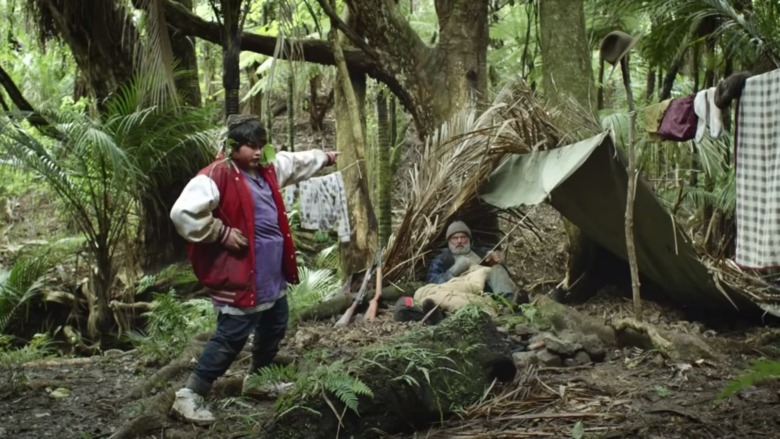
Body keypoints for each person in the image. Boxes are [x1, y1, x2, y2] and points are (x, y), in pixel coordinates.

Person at [168, 115, 338, 425]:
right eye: (250, 146)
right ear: (233, 147)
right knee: (230, 337)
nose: (257, 152)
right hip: (241, 274)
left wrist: (324, 157)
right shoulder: (216, 175)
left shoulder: (266, 171)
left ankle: (258, 380)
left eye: (261, 146)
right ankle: (189, 395)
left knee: (275, 323)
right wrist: (220, 232)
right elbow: (182, 212)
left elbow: (294, 162)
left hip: (270, 273)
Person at [426, 220, 521, 303]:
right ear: (449, 241)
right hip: (461, 293)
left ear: (469, 239)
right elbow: (431, 283)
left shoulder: (482, 253)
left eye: (463, 237)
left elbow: (503, 275)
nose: (459, 241)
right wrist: (453, 271)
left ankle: (507, 304)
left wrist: (494, 262)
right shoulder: (442, 259)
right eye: (455, 238)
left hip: (486, 291)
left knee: (497, 269)